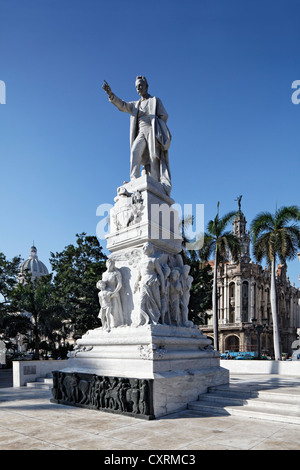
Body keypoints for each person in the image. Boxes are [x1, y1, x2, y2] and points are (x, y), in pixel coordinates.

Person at [102, 76, 172, 195]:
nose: (138, 88)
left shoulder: (155, 100)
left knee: (153, 155)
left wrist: (157, 126)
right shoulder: (135, 104)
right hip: (141, 131)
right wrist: (111, 95)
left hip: (151, 129)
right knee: (135, 151)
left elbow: (164, 115)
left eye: (140, 85)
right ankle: (134, 179)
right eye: (136, 87)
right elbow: (123, 105)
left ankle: (154, 180)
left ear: (146, 86)